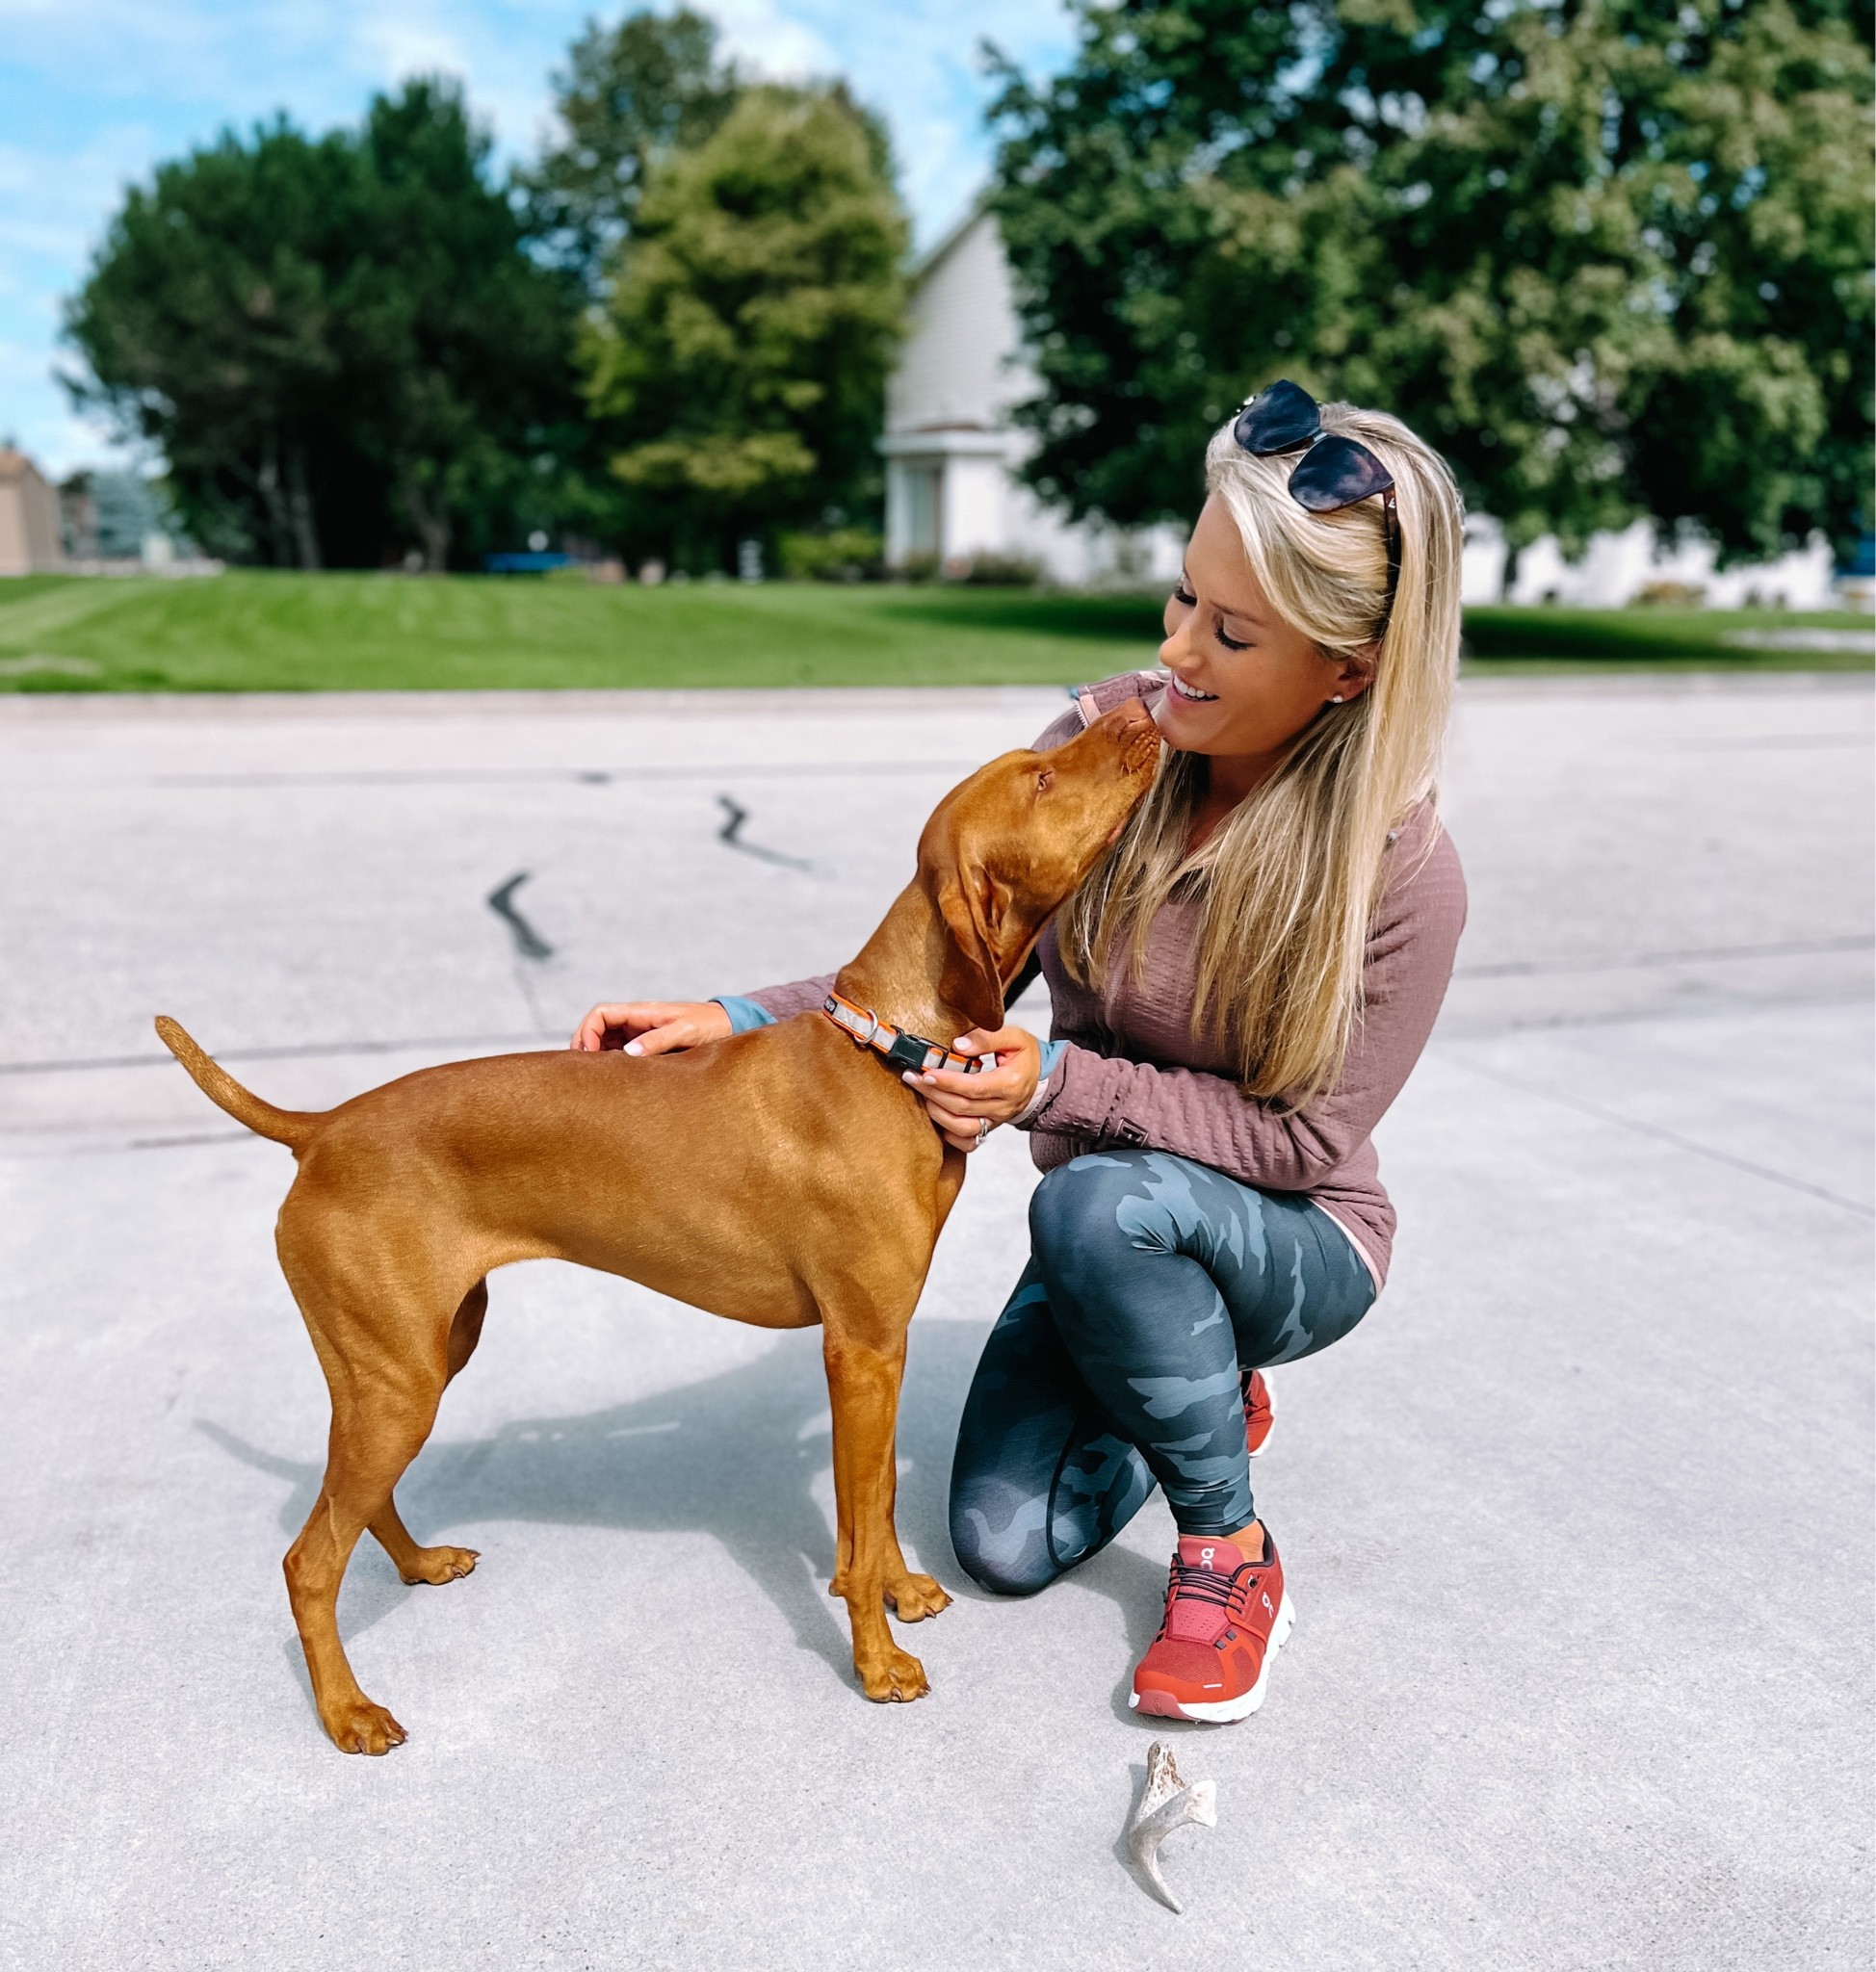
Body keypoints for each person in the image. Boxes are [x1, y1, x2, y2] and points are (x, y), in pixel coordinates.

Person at [572, 381, 1468, 1725]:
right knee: (999, 1544)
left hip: (1291, 1233)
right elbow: (950, 950)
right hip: (1114, 1235)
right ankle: (1180, 1386)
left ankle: (1229, 1548)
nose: (1175, 652)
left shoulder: (1400, 874)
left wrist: (1056, 1089)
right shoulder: (1119, 744)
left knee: (1095, 1199)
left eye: (1230, 632)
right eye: (1178, 599)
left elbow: (1301, 1141)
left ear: (1348, 670)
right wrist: (742, 1015)